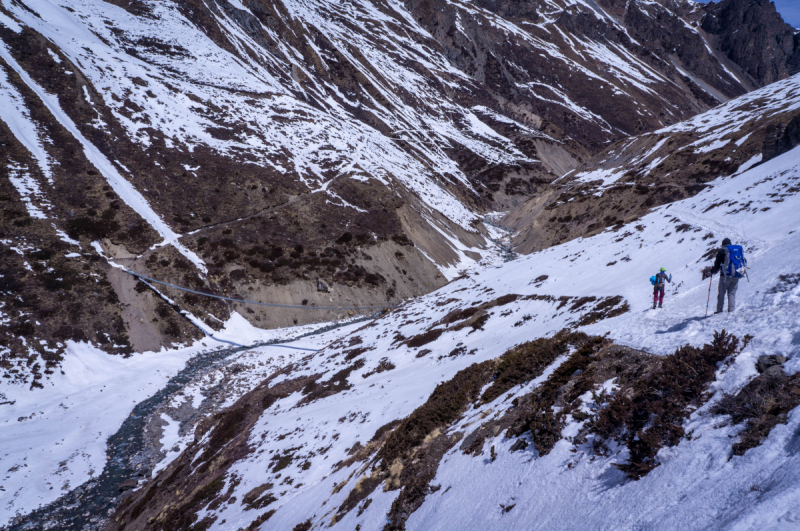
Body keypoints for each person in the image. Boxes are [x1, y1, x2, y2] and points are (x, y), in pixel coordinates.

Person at [709, 238, 747, 313]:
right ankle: (731, 310)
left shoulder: (722, 251)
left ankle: (719, 310)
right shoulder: (736, 251)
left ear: (723, 245)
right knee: (732, 293)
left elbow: (717, 265)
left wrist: (712, 271)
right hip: (736, 274)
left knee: (721, 293)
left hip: (725, 276)